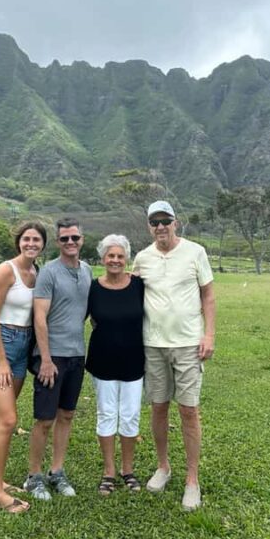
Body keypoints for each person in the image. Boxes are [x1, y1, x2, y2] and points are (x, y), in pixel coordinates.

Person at [133, 200, 216, 511]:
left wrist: (208, 335)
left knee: (189, 411)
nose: (160, 227)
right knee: (158, 407)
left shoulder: (195, 252)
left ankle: (191, 480)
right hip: (153, 344)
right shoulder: (142, 258)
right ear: (149, 226)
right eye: (154, 222)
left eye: (165, 220)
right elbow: (133, 296)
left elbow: (207, 294)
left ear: (175, 222)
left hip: (188, 344)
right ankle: (163, 467)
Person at [0, 221, 47, 514]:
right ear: (19, 242)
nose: (31, 243)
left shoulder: (37, 272)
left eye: (37, 240)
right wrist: (2, 359)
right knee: (8, 420)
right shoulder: (8, 270)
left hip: (22, 346)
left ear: (43, 244)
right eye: (27, 239)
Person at [23, 217, 92, 500]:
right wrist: (47, 359)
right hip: (52, 357)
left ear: (82, 239)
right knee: (44, 419)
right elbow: (40, 317)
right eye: (64, 239)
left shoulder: (87, 271)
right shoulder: (49, 272)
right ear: (58, 242)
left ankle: (57, 471)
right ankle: (34, 476)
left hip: (76, 355)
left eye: (74, 238)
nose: (70, 243)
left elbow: (84, 312)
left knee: (67, 415)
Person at [86, 234, 145, 495]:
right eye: (111, 255)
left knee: (130, 414)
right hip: (102, 360)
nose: (115, 260)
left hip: (134, 359)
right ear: (102, 258)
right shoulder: (93, 287)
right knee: (107, 414)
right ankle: (108, 471)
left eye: (120, 256)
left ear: (127, 259)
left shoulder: (139, 285)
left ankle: (128, 469)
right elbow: (82, 317)